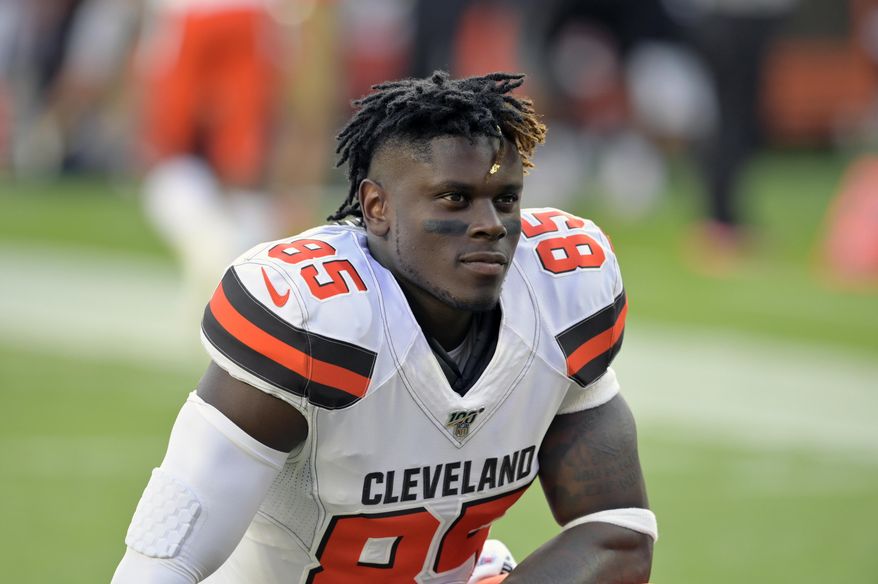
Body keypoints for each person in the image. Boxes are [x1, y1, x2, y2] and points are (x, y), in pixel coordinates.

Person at [112, 71, 656, 583]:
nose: (490, 226)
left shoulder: (558, 297)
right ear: (377, 207)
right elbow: (163, 559)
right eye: (455, 199)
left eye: (505, 199)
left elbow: (619, 533)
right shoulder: (312, 322)